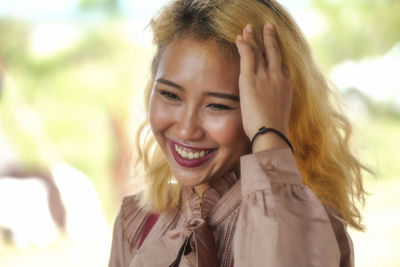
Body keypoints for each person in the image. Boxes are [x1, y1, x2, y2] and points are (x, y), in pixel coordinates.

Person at [108, 0, 368, 266]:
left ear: (272, 105)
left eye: (218, 105)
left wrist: (270, 133)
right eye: (170, 95)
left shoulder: (307, 226)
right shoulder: (137, 223)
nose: (187, 129)